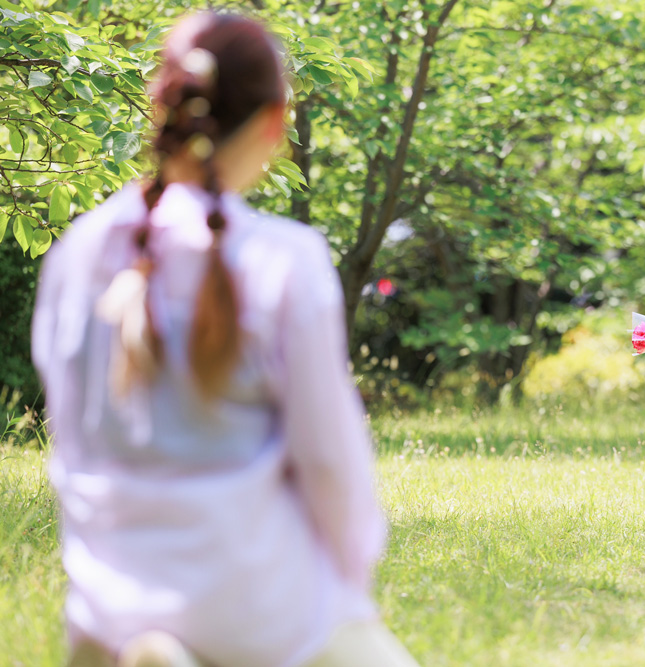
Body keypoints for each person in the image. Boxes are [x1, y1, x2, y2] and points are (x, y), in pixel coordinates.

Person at [31, 12, 419, 667]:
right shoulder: (284, 261)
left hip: (108, 609)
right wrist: (349, 583)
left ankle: (159, 645)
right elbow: (330, 465)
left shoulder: (77, 255)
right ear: (275, 123)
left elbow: (71, 447)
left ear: (162, 109)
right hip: (256, 610)